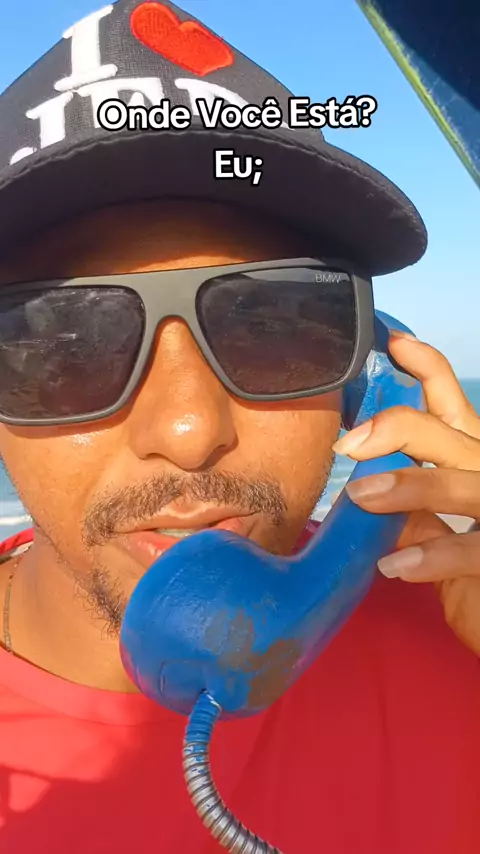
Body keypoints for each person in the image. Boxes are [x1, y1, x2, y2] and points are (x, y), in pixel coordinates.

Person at [0, 2, 479, 853]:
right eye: (65, 342)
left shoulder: (457, 634)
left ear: (372, 379)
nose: (189, 430)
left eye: (273, 325)